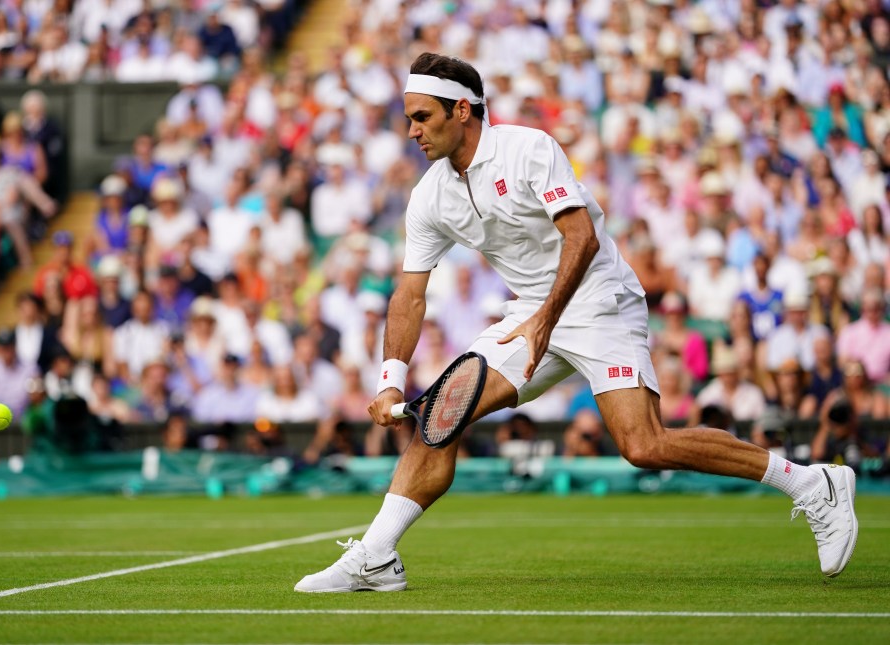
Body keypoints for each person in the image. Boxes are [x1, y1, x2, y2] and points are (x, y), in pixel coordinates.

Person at [294, 53, 858, 593]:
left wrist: (546, 318)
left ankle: (814, 483)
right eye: (408, 119)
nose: (412, 131)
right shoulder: (429, 196)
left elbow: (581, 236)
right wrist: (391, 377)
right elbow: (409, 296)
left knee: (644, 445)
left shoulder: (528, 148)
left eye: (421, 117)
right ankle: (377, 557)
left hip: (597, 299)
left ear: (460, 111)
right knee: (443, 412)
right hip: (529, 313)